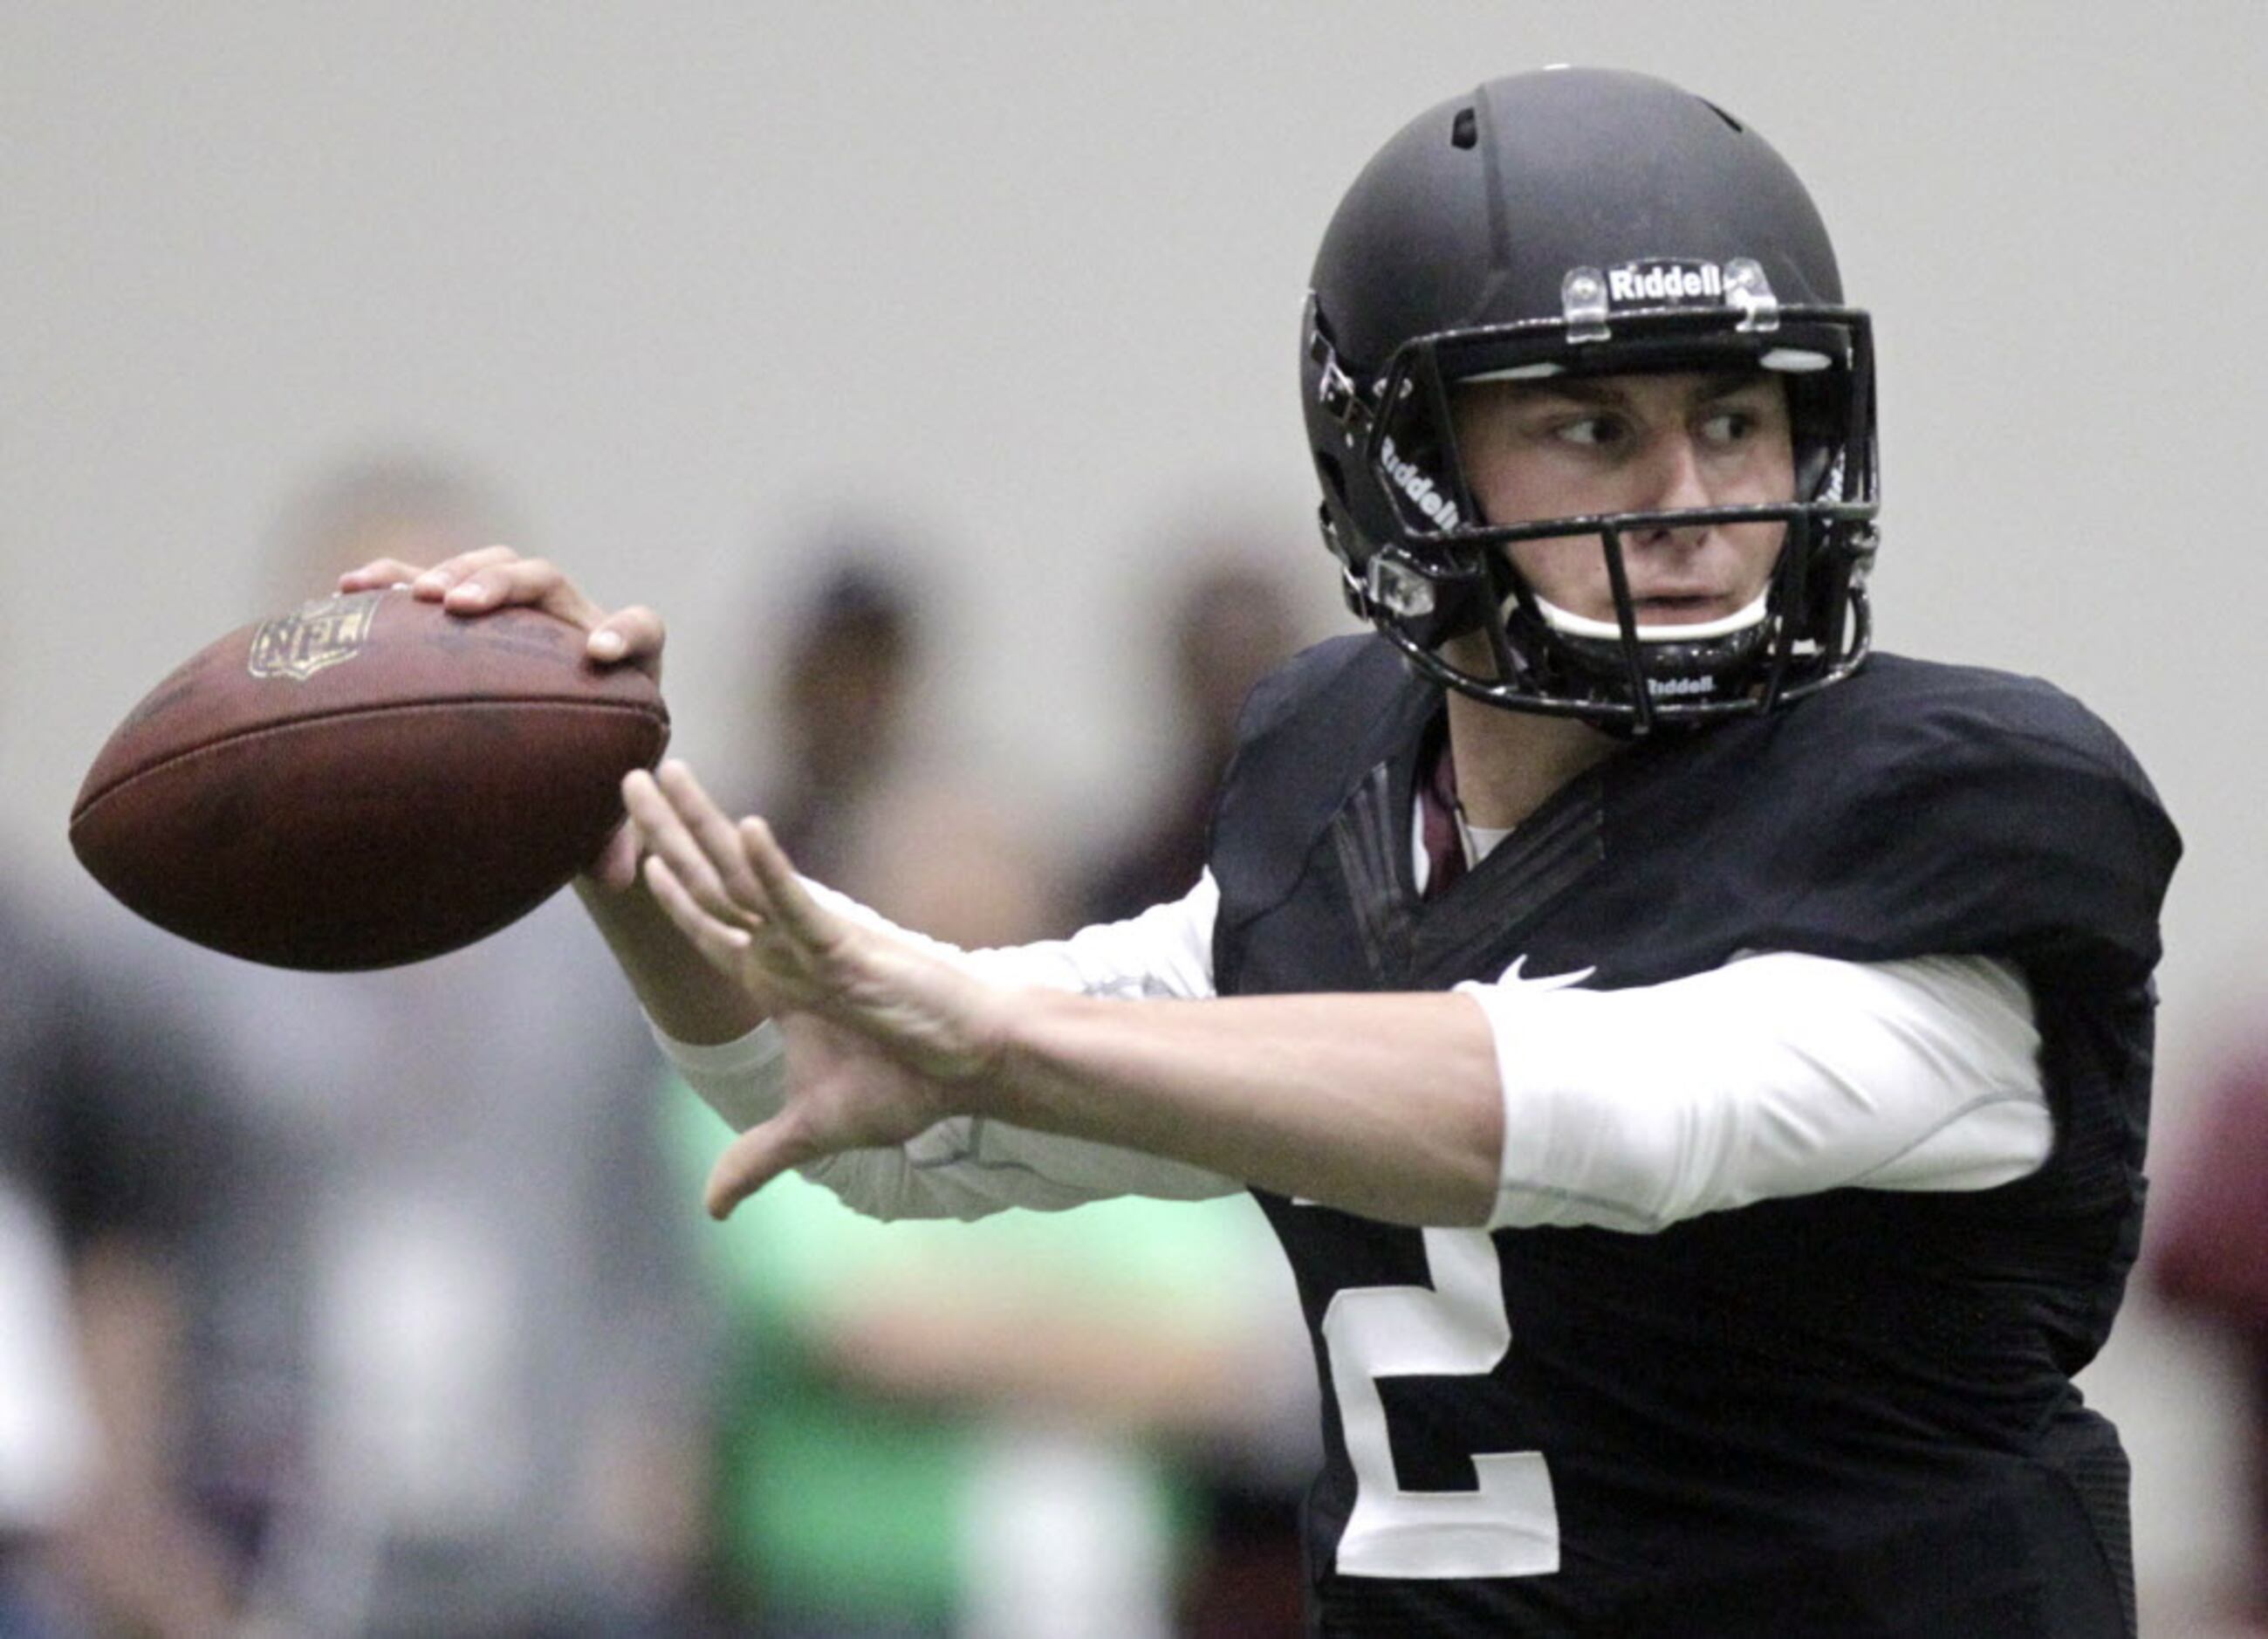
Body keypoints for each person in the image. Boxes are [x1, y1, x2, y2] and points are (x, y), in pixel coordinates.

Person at [341, 67, 2181, 1636]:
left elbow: (1589, 1112)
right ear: (1407, 469)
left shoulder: (1942, 819)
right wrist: (610, 813)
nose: (1693, 502)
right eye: (1593, 427)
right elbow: (840, 1088)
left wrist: (988, 1035)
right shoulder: (1343, 815)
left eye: (1734, 416)